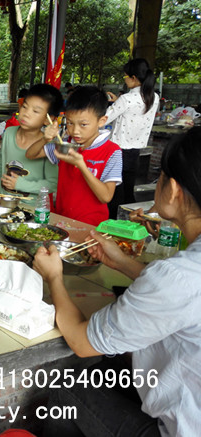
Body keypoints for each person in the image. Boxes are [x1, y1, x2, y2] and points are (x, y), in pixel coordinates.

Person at [32, 127, 201, 437]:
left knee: (66, 388)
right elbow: (183, 294)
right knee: (105, 370)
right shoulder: (184, 273)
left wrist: (54, 276)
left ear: (174, 188)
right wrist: (122, 262)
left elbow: (81, 342)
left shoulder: (178, 276)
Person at [26, 86, 122, 226]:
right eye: (70, 123)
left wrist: (81, 165)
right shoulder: (65, 145)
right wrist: (45, 139)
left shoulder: (112, 152)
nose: (75, 131)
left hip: (91, 226)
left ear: (101, 121)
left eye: (83, 124)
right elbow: (30, 154)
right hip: (61, 221)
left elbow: (105, 197)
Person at [0, 84, 61, 203]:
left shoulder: (48, 146)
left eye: (35, 111)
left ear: (48, 119)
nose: (26, 114)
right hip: (2, 203)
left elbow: (53, 184)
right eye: (25, 107)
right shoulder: (9, 133)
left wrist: (21, 184)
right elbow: (0, 166)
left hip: (30, 210)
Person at [105, 58, 159, 214]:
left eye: (125, 76)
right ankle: (130, 222)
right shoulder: (153, 97)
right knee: (128, 191)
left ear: (134, 78)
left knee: (114, 191)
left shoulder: (126, 99)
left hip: (118, 150)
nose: (125, 79)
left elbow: (104, 119)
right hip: (135, 151)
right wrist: (118, 103)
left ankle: (111, 223)